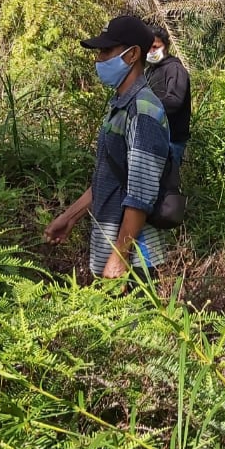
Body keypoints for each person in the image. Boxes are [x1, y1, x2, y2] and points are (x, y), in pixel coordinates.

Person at [44, 15, 170, 285]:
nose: (99, 59)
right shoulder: (121, 107)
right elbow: (110, 179)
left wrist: (120, 257)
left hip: (137, 259)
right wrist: (69, 217)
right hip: (115, 249)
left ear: (132, 54)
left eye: (106, 51)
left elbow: (141, 193)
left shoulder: (143, 111)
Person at [145, 25, 191, 164]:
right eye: (148, 47)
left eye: (155, 47)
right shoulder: (150, 71)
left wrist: (144, 106)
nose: (151, 51)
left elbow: (174, 101)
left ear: (166, 46)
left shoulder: (174, 69)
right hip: (154, 137)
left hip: (171, 142)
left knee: (166, 183)